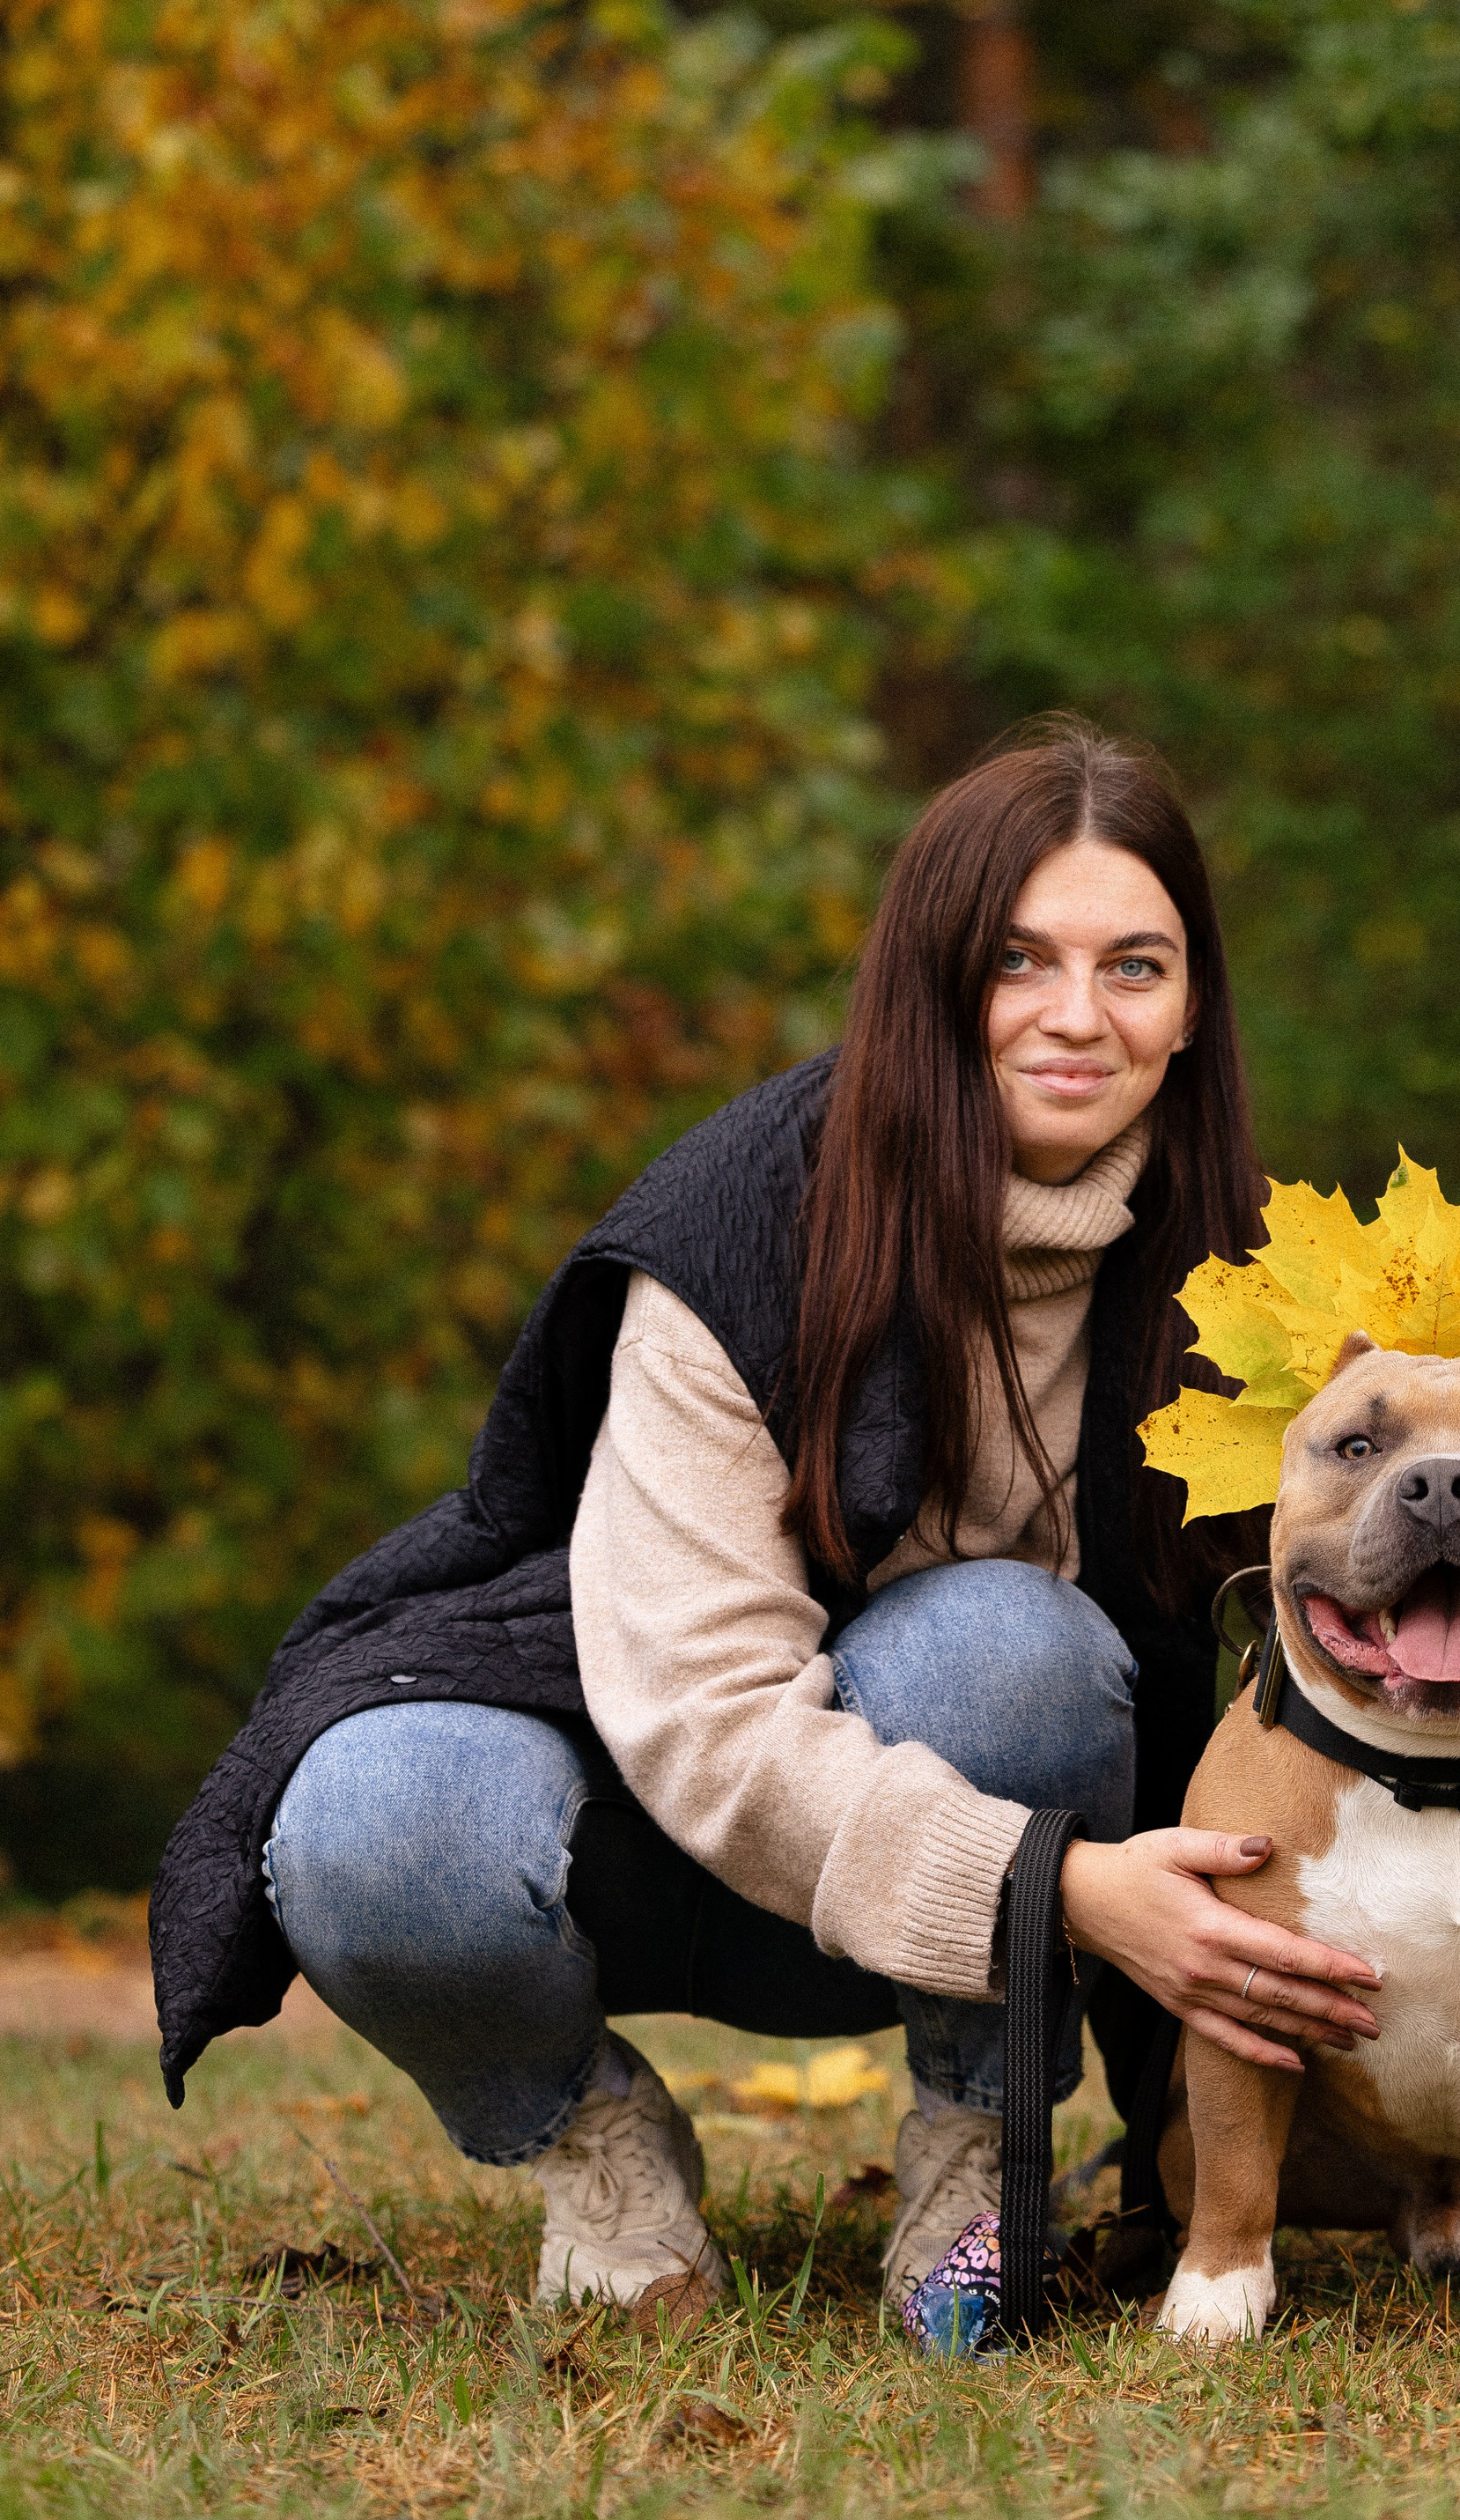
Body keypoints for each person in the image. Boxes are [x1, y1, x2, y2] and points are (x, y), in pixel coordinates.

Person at [150, 719, 1382, 2353]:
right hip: (642, 1812)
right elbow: (707, 1712)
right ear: (932, 976)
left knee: (1009, 1646)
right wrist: (1065, 1887)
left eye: (1133, 965)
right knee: (373, 1820)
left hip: (965, 1864)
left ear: (1194, 1003)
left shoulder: (1251, 1278)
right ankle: (596, 2146)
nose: (1077, 1016)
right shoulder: (744, 1227)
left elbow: (1278, 1686)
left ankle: (976, 2148)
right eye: (1019, 958)